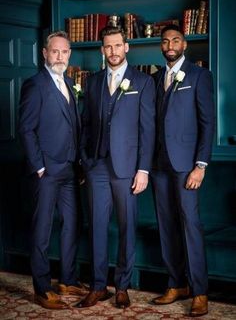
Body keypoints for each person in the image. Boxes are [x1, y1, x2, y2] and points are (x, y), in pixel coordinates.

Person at [75, 26, 156, 309]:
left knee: (126, 227)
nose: (113, 51)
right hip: (96, 166)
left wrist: (143, 169)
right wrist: (85, 160)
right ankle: (98, 286)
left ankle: (122, 286)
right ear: (102, 49)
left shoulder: (144, 81)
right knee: (96, 227)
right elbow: (86, 124)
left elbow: (148, 130)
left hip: (127, 169)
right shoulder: (93, 82)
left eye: (117, 45)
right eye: (108, 46)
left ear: (127, 47)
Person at [18, 31, 88, 310]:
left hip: (71, 169)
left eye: (65, 51)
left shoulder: (70, 83)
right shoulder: (35, 85)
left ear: (69, 54)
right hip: (46, 171)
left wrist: (80, 163)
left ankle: (68, 279)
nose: (60, 56)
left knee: (72, 224)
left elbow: (74, 125)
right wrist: (38, 166)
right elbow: (26, 128)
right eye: (55, 51)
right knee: (43, 229)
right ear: (44, 54)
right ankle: (42, 288)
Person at [151, 24, 215, 317]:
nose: (170, 44)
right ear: (161, 46)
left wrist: (200, 165)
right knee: (166, 225)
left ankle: (199, 290)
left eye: (175, 39)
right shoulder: (153, 79)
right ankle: (176, 284)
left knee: (190, 225)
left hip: (187, 165)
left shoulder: (200, 76)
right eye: (165, 41)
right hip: (159, 165)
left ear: (184, 44)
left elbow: (207, 123)